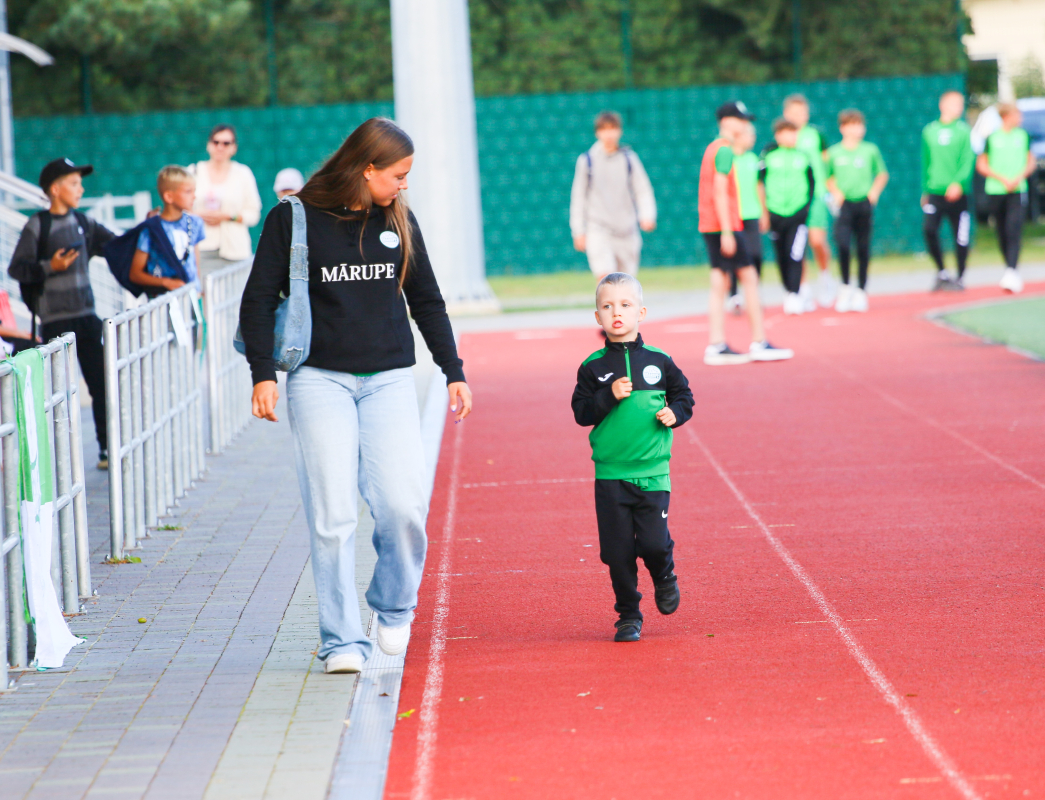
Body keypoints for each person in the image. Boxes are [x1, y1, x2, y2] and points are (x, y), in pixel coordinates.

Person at [239, 118, 472, 675]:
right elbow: (256, 299)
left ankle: (394, 604)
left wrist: (452, 369)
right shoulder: (292, 218)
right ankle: (341, 639)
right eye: (398, 175)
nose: (404, 185)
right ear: (366, 169)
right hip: (319, 379)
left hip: (389, 379)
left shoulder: (398, 218)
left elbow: (428, 300)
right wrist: (263, 373)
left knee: (402, 504)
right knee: (333, 514)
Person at [571, 272, 693, 642]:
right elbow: (581, 413)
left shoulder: (660, 361)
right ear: (598, 317)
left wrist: (676, 413)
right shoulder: (592, 367)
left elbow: (684, 395)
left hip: (653, 472)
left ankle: (664, 574)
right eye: (607, 307)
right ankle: (628, 614)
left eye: (624, 305)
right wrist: (608, 395)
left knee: (655, 543)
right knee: (617, 553)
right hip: (611, 476)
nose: (616, 313)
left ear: (640, 312)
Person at [8, 158, 115, 469]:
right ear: (54, 190)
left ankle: (107, 449)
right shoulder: (37, 226)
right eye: (73, 183)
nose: (80, 188)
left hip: (87, 317)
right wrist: (49, 267)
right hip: (55, 323)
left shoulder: (85, 223)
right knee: (58, 394)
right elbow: (17, 268)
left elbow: (117, 246)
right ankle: (60, 461)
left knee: (101, 385)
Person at [698, 102, 793, 366]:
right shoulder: (725, 150)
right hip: (723, 225)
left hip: (711, 225)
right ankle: (758, 341)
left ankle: (717, 344)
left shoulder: (713, 148)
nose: (744, 125)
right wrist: (728, 231)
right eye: (740, 119)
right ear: (727, 121)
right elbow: (718, 191)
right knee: (749, 278)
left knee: (720, 283)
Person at [570, 111, 657, 278]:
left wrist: (647, 215)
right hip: (599, 228)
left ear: (619, 131)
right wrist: (578, 231)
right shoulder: (587, 161)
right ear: (597, 133)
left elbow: (642, 189)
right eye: (604, 129)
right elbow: (578, 197)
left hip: (626, 230)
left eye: (613, 129)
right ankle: (604, 305)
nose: (609, 134)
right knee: (605, 279)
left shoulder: (629, 159)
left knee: (625, 283)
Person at [825, 109, 890, 313]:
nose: (857, 129)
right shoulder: (834, 152)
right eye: (852, 125)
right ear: (843, 128)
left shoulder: (869, 150)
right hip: (844, 205)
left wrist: (873, 193)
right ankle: (845, 287)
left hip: (864, 203)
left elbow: (881, 174)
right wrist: (835, 192)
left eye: (859, 124)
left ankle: (861, 291)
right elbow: (828, 177)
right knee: (843, 244)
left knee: (863, 247)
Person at [782, 94, 835, 309]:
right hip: (794, 199)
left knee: (816, 240)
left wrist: (832, 190)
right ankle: (802, 288)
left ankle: (825, 276)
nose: (798, 117)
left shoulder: (816, 135)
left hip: (818, 196)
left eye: (802, 112)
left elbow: (827, 164)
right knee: (797, 245)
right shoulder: (784, 137)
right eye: (794, 113)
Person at [977, 102, 1036, 294]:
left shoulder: (1022, 136)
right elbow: (982, 164)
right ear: (1006, 116)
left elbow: (1030, 161)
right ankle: (1009, 268)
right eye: (1016, 114)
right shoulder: (992, 138)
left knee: (1014, 229)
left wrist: (1018, 177)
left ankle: (1012, 270)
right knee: (1002, 232)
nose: (1020, 118)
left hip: (1016, 190)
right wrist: (1001, 178)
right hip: (996, 190)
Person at [758, 118, 814, 315]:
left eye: (794, 132)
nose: (791, 137)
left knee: (796, 254)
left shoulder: (803, 157)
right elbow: (760, 184)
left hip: (798, 215)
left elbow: (811, 184)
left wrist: (805, 209)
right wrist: (764, 212)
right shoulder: (768, 156)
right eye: (786, 132)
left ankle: (795, 293)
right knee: (781, 254)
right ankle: (787, 290)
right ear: (778, 135)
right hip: (775, 214)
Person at [191, 124, 262, 279]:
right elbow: (181, 211)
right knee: (210, 300)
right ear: (209, 145)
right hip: (203, 248)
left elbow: (253, 214)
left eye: (226, 143)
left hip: (235, 251)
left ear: (233, 148)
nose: (220, 147)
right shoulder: (194, 172)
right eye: (216, 142)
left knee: (236, 301)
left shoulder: (243, 174)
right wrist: (200, 215)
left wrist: (228, 216)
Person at [921, 90, 975, 291]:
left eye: (961, 104)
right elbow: (925, 162)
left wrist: (958, 183)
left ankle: (960, 277)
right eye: (955, 104)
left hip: (958, 194)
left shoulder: (964, 131)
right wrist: (925, 189)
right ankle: (942, 272)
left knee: (960, 236)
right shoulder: (929, 131)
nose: (959, 108)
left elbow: (967, 160)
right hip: (935, 192)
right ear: (942, 105)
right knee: (929, 229)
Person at [129, 166, 205, 297]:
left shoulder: (195, 223)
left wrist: (198, 288)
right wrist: (166, 282)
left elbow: (194, 262)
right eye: (188, 192)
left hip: (191, 298)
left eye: (194, 191)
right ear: (169, 197)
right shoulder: (151, 229)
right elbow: (135, 274)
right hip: (162, 302)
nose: (194, 197)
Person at [726, 121, 764, 314]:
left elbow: (759, 186)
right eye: (750, 135)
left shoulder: (753, 159)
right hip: (733, 216)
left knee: (755, 254)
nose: (753, 139)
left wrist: (763, 212)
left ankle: (754, 293)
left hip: (752, 213)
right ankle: (734, 295)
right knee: (733, 257)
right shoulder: (728, 159)